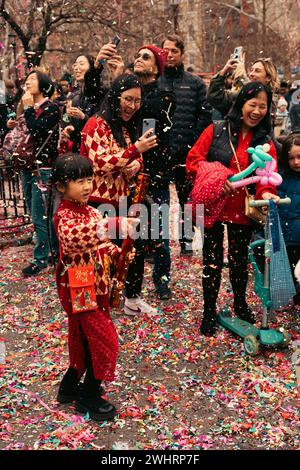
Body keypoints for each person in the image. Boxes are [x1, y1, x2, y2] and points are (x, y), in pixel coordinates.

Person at [186, 82, 279, 336]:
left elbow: (266, 176)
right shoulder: (216, 130)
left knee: (239, 261)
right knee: (212, 262)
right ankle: (208, 311)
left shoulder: (267, 143)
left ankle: (240, 304)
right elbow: (193, 161)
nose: (257, 111)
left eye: (263, 106)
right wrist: (219, 178)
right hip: (215, 207)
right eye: (253, 104)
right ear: (241, 105)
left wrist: (267, 193)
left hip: (242, 211)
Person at [53, 153, 138, 421]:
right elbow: (76, 239)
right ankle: (89, 395)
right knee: (103, 340)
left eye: (89, 179)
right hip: (79, 288)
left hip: (96, 285)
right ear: (60, 187)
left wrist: (117, 253)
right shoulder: (64, 216)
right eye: (79, 181)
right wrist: (115, 224)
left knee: (84, 338)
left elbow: (99, 243)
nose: (87, 186)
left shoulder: (90, 211)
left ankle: (69, 388)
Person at [81, 74, 158, 316]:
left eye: (137, 101)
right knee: (102, 257)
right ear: (115, 97)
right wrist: (135, 151)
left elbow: (133, 159)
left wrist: (136, 163)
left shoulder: (123, 127)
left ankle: (131, 299)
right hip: (97, 202)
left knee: (132, 251)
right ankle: (97, 309)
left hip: (125, 200)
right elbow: (101, 163)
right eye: (128, 99)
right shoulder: (95, 124)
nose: (132, 106)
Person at [159, 35, 212, 255]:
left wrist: (193, 145)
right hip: (159, 150)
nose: (169, 55)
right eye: (165, 50)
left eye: (174, 51)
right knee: (158, 200)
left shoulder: (195, 83)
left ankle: (187, 241)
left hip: (187, 152)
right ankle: (157, 244)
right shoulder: (155, 81)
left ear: (181, 54)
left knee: (188, 200)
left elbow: (205, 115)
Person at [133, 44, 175, 299]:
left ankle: (162, 280)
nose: (138, 59)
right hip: (130, 172)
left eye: (145, 57)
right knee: (132, 231)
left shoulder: (164, 96)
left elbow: (153, 112)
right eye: (137, 56)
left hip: (156, 175)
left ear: (156, 68)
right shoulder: (129, 91)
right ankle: (132, 281)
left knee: (159, 233)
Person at [20, 70, 60, 276]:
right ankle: (52, 252)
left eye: (32, 79)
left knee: (40, 215)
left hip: (42, 168)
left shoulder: (52, 109)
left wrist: (27, 109)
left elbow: (37, 130)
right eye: (26, 80)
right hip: (27, 166)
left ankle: (42, 258)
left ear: (43, 84)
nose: (28, 83)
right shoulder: (30, 107)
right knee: (33, 209)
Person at [207, 56, 279, 123]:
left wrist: (240, 77)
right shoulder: (241, 94)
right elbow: (215, 97)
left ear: (268, 77)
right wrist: (224, 72)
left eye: (257, 71)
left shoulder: (270, 100)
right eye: (251, 70)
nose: (251, 74)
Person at [277, 134, 300, 309]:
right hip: (287, 233)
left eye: (299, 157)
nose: (296, 162)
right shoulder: (280, 176)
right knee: (290, 268)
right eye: (291, 158)